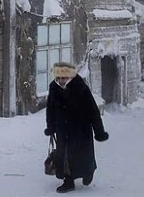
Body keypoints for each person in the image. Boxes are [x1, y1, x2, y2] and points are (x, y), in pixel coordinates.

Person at [44, 62, 109, 193]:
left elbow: (92, 110)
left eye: (64, 78)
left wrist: (99, 131)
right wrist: (50, 127)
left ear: (70, 77)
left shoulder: (80, 87)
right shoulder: (53, 87)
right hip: (62, 128)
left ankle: (88, 172)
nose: (61, 81)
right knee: (65, 155)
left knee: (82, 155)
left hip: (81, 128)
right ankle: (68, 182)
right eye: (59, 78)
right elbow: (50, 109)